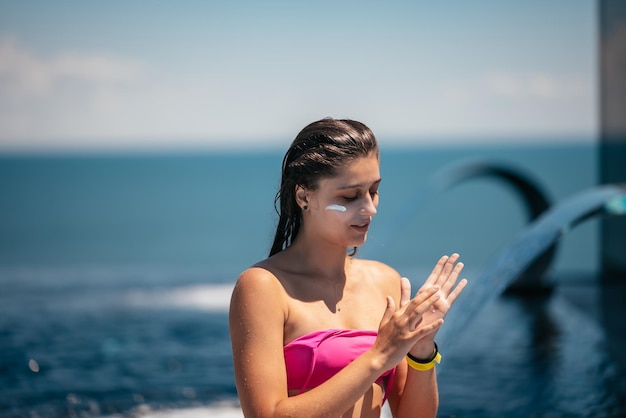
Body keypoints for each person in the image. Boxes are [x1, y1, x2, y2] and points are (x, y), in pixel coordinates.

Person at [229, 117, 467, 418]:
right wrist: (379, 356)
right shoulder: (263, 286)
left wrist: (422, 350)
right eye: (350, 196)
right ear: (304, 196)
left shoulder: (386, 282)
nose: (370, 208)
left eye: (374, 191)